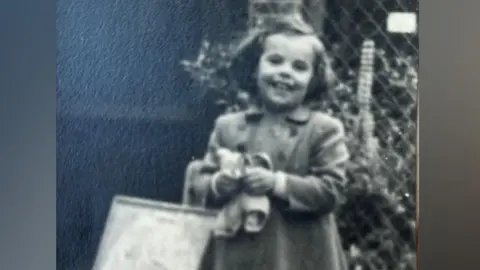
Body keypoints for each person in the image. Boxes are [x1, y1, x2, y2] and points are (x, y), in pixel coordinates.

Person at [185, 17, 350, 270]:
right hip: (236, 255)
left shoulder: (323, 130)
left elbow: (331, 190)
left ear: (313, 80)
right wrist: (221, 183)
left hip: (299, 256)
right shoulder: (228, 126)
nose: (285, 72)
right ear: (255, 67)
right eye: (275, 61)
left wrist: (276, 183)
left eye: (299, 67)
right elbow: (200, 184)